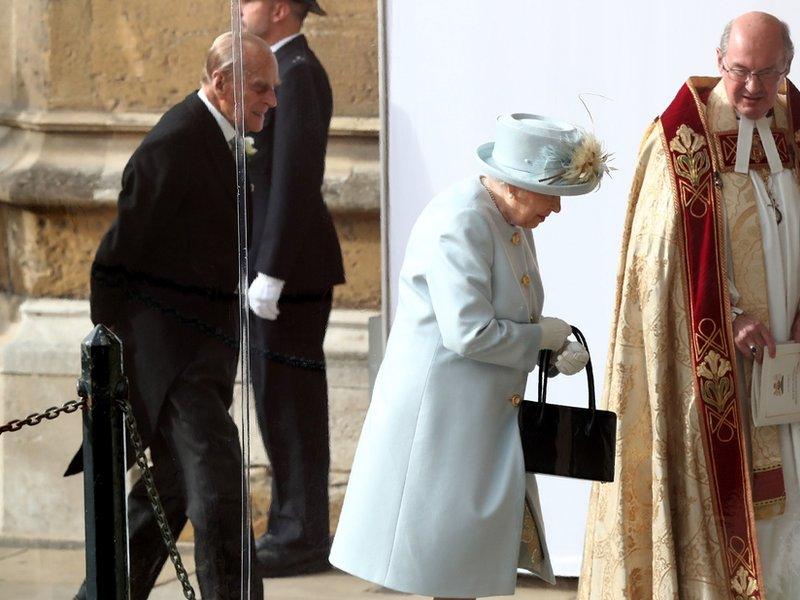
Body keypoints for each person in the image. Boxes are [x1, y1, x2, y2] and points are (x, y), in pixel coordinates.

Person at [578, 12, 800, 600]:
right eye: (739, 71)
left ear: (787, 69)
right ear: (719, 61)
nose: (752, 87)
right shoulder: (679, 143)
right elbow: (660, 269)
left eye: (767, 74)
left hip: (796, 367)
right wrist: (728, 314)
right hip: (715, 369)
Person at [329, 113, 605, 599]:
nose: (558, 210)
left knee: (458, 572)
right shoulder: (462, 220)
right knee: (445, 569)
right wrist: (543, 335)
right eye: (554, 194)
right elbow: (469, 332)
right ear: (520, 184)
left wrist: (551, 349)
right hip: (439, 424)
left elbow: (506, 315)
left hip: (474, 425)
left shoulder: (509, 219)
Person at [67, 32, 278, 600]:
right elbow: (112, 265)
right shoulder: (172, 145)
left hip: (200, 352)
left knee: (171, 488)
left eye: (273, 89)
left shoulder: (221, 138)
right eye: (260, 88)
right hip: (174, 361)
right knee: (219, 490)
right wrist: (116, 362)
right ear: (220, 82)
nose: (272, 101)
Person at [240, 0, 345, 578]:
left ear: (279, 9)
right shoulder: (283, 66)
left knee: (291, 402)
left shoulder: (298, 72)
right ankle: (289, 523)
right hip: (276, 267)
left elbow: (297, 178)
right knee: (275, 398)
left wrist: (273, 270)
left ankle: (301, 532)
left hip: (294, 273)